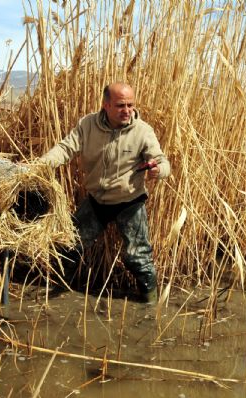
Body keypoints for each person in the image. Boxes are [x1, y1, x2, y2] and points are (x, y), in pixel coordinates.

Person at [40, 82, 170, 303]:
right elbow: (65, 148)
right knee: (70, 245)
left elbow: (162, 161)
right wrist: (41, 165)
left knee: (138, 258)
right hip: (97, 201)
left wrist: (158, 170)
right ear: (106, 105)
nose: (127, 110)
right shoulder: (88, 125)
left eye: (130, 105)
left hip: (130, 202)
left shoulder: (143, 131)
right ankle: (56, 296)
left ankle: (150, 306)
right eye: (121, 105)